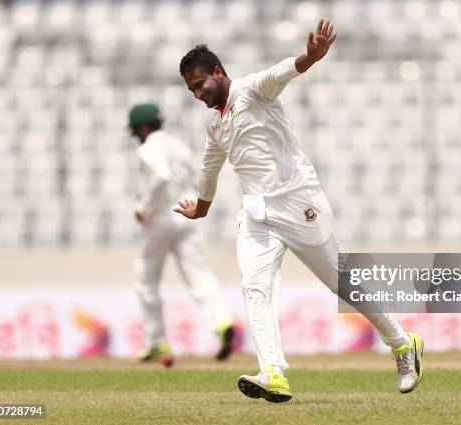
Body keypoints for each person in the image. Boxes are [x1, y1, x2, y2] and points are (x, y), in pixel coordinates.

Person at [174, 20, 423, 402]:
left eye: (200, 84)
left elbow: (280, 73)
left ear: (218, 72)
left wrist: (308, 57)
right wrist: (202, 208)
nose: (197, 93)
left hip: (299, 203)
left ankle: (402, 343)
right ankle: (273, 372)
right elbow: (210, 166)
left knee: (342, 284)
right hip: (258, 217)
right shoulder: (215, 125)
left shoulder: (253, 90)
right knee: (254, 287)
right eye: (191, 89)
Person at [129, 103, 235, 367]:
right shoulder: (177, 145)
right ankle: (221, 322)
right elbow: (198, 173)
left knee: (146, 278)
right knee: (198, 275)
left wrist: (144, 207)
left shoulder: (147, 148)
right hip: (188, 215)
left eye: (136, 131)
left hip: (162, 217)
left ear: (142, 128)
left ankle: (157, 343)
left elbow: (162, 176)